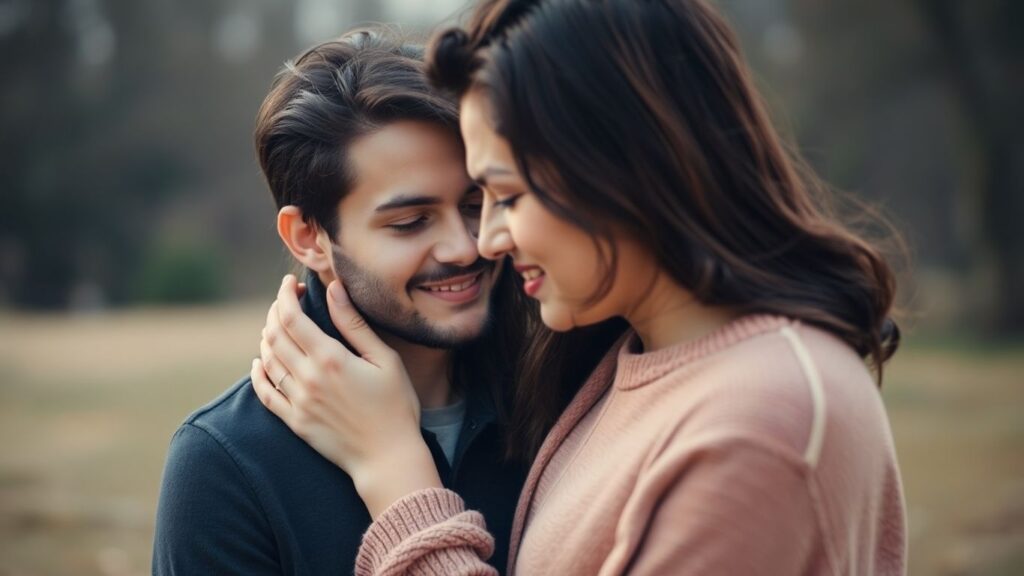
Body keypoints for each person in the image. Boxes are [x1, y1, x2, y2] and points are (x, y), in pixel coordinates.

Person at [252, 0, 908, 574]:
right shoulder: (629, 365)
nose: (485, 243)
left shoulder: (759, 423)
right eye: (413, 219)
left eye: (501, 196)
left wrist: (396, 478)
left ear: (621, 168)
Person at [152, 28, 535, 575]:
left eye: (476, 204)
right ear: (308, 237)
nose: (467, 246)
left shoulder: (557, 394)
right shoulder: (224, 463)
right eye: (410, 222)